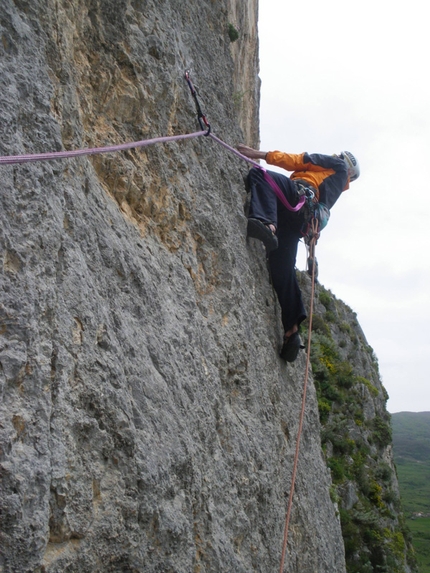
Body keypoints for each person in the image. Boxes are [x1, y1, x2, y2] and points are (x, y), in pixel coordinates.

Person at [237, 145, 360, 362]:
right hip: (300, 219)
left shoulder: (336, 165)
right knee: (282, 270)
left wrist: (261, 155)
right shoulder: (334, 187)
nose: (335, 157)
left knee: (261, 175)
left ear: (343, 160)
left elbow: (301, 159)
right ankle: (292, 330)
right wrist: (312, 255)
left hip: (297, 197)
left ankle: (267, 224)